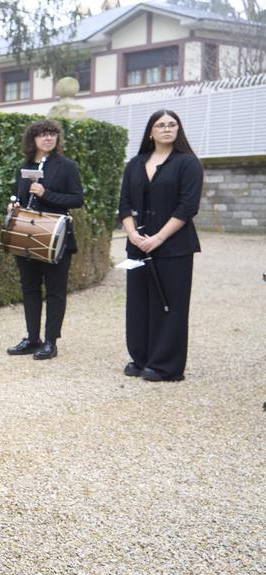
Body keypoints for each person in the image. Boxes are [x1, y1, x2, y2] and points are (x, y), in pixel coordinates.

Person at [118, 109, 203, 381]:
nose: (167, 129)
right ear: (151, 131)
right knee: (139, 303)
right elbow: (124, 204)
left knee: (170, 304)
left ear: (178, 129)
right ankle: (141, 357)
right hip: (137, 245)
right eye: (161, 125)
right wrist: (132, 234)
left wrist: (158, 238)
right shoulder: (135, 163)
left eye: (172, 124)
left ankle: (166, 365)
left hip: (173, 247)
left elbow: (187, 207)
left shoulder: (188, 163)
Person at [6, 119, 83, 360]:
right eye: (42, 134)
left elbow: (77, 199)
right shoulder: (24, 166)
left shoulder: (68, 166)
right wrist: (13, 205)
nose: (48, 138)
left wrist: (45, 194)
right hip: (26, 235)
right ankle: (32, 338)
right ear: (33, 139)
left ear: (57, 138)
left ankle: (50, 342)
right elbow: (20, 197)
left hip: (56, 238)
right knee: (29, 289)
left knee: (55, 291)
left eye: (52, 134)